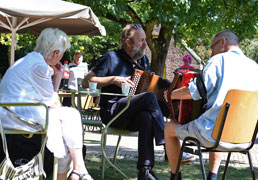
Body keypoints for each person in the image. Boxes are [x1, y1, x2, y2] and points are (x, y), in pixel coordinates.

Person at [164, 29, 258, 180]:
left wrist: (171, 95)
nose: (211, 54)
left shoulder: (218, 60)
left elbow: (195, 91)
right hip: (246, 139)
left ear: (222, 42)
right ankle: (212, 177)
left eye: (212, 48)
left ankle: (176, 178)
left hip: (213, 136)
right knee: (218, 118)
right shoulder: (256, 68)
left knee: (170, 128)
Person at [0, 28, 93, 180]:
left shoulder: (29, 61)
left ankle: (76, 170)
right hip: (18, 116)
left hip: (14, 113)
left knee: (66, 124)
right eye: (62, 53)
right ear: (56, 52)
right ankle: (77, 170)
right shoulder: (39, 66)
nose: (62, 57)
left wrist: (57, 76)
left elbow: (49, 99)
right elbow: (53, 102)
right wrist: (58, 77)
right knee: (71, 116)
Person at [82, 23, 165, 180]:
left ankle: (145, 171)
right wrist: (113, 79)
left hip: (132, 114)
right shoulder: (111, 58)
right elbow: (86, 82)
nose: (146, 44)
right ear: (128, 42)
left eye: (145, 40)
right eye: (141, 40)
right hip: (112, 111)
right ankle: (166, 142)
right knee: (149, 98)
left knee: (146, 117)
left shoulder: (144, 61)